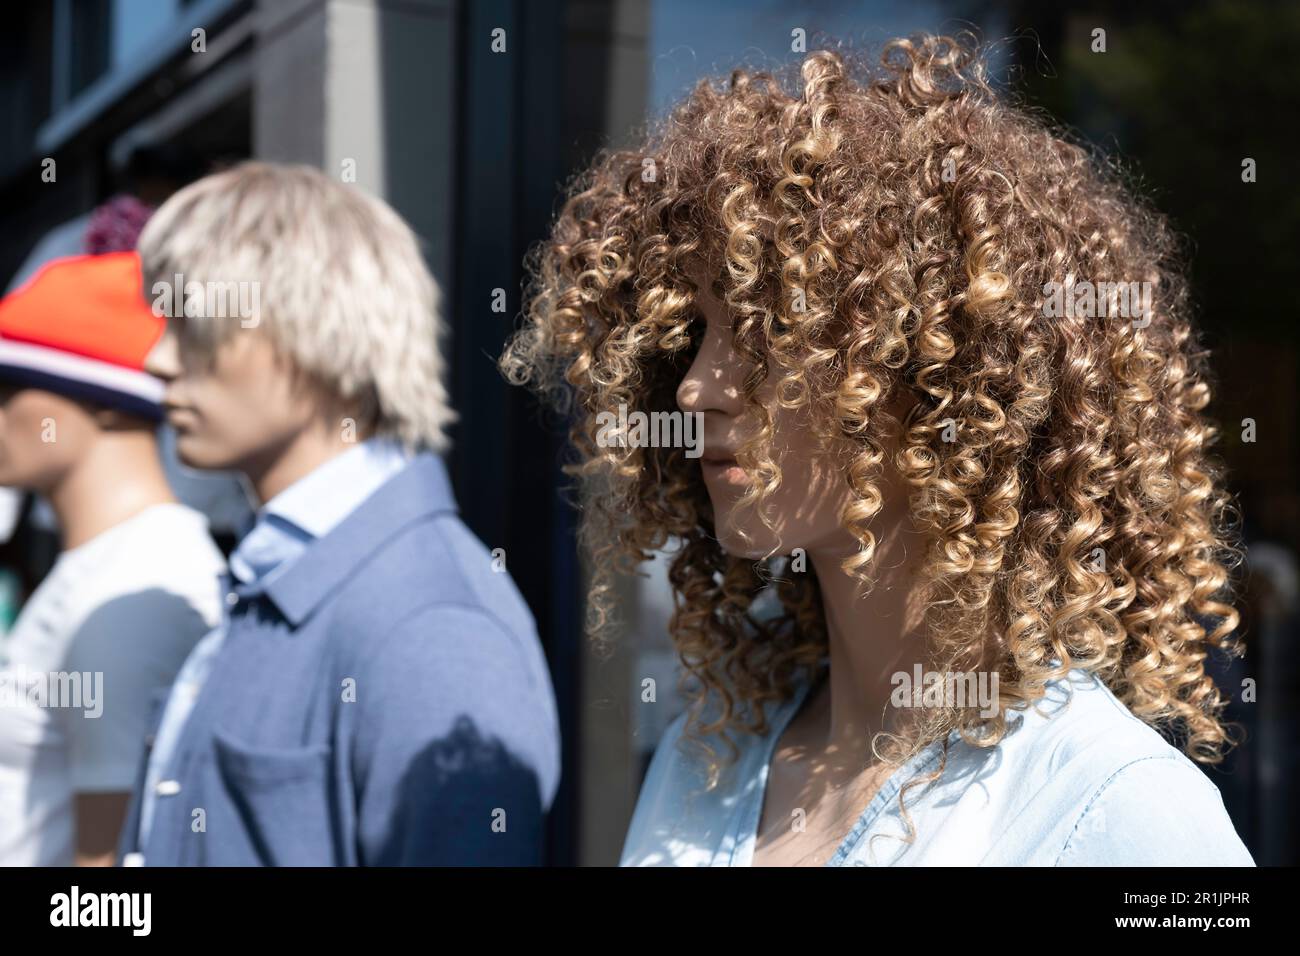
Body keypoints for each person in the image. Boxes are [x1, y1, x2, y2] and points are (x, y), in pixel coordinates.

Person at [501, 33, 1255, 866]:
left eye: (763, 336)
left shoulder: (1111, 809)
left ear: (938, 374)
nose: (695, 388)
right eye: (696, 337)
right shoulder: (703, 761)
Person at [116, 161, 560, 866]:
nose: (158, 359)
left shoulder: (434, 626)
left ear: (315, 329)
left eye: (192, 323)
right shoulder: (283, 573)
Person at [0, 251, 225, 866]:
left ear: (102, 398)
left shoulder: (134, 588)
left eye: (10, 387)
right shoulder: (106, 567)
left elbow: (110, 879)